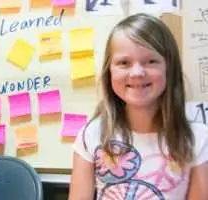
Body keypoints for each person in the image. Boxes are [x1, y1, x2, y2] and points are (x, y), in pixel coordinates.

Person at [69, 13, 208, 200]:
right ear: (109, 71)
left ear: (170, 68)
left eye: (151, 61)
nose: (137, 72)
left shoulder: (196, 138)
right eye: (124, 63)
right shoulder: (92, 134)